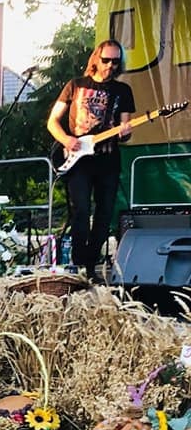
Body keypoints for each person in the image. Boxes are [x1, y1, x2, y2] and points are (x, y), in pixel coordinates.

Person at [47, 39, 134, 284]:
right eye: (106, 60)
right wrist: (66, 139)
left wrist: (125, 131)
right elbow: (52, 121)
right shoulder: (75, 86)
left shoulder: (122, 91)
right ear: (96, 58)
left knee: (105, 214)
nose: (110, 66)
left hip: (108, 159)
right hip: (78, 161)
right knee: (81, 210)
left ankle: (91, 265)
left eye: (115, 62)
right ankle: (78, 262)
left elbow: (126, 131)